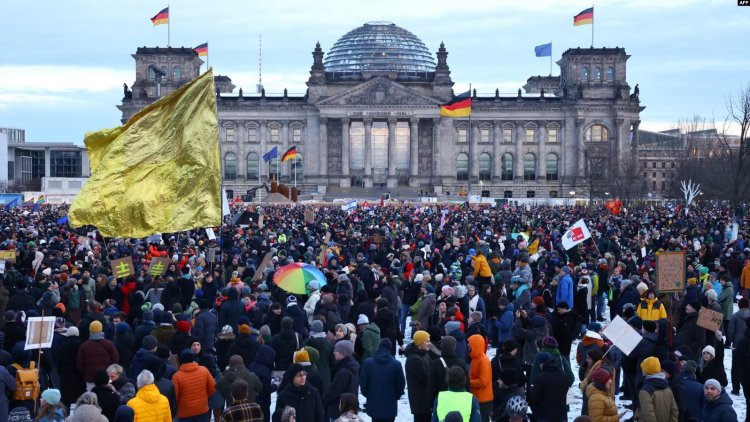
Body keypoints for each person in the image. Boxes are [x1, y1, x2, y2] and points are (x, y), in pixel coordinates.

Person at [360, 339, 406, 422]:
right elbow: (401, 384)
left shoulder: (368, 363)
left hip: (374, 405)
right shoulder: (396, 364)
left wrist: (370, 395)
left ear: (378, 347)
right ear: (390, 348)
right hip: (390, 405)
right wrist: (396, 396)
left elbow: (363, 384)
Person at [172, 349, 216, 421]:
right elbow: (213, 388)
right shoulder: (204, 370)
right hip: (202, 410)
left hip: (185, 413)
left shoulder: (177, 376)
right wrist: (204, 397)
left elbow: (175, 396)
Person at [76, 320, 119, 390]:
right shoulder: (109, 344)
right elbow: (115, 360)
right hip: (106, 378)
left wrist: (86, 373)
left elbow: (79, 364)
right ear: (101, 329)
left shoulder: (84, 346)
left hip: (90, 379)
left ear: (90, 330)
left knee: (91, 399)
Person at [322, 340, 359, 421]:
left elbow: (333, 391)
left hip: (339, 410)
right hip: (349, 407)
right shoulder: (353, 365)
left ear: (343, 353)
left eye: (336, 350)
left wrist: (324, 399)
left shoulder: (343, 372)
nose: (334, 352)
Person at [527, 352, 570, 422]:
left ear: (541, 363)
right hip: (561, 415)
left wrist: (531, 390)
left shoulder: (540, 378)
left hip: (545, 416)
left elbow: (534, 397)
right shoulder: (563, 374)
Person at [636, 357, 678, 422]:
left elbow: (649, 416)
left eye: (643, 368)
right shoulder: (668, 387)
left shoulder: (645, 391)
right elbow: (674, 411)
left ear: (646, 370)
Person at [405, 330, 432, 422]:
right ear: (420, 344)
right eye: (427, 341)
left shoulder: (424, 354)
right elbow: (427, 378)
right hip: (420, 401)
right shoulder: (414, 359)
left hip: (425, 398)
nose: (429, 344)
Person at [467, 334, 493, 422]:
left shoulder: (483, 361)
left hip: (483, 399)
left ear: (476, 345)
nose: (468, 347)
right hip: (477, 397)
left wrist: (468, 382)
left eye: (470, 345)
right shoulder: (475, 358)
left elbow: (483, 381)